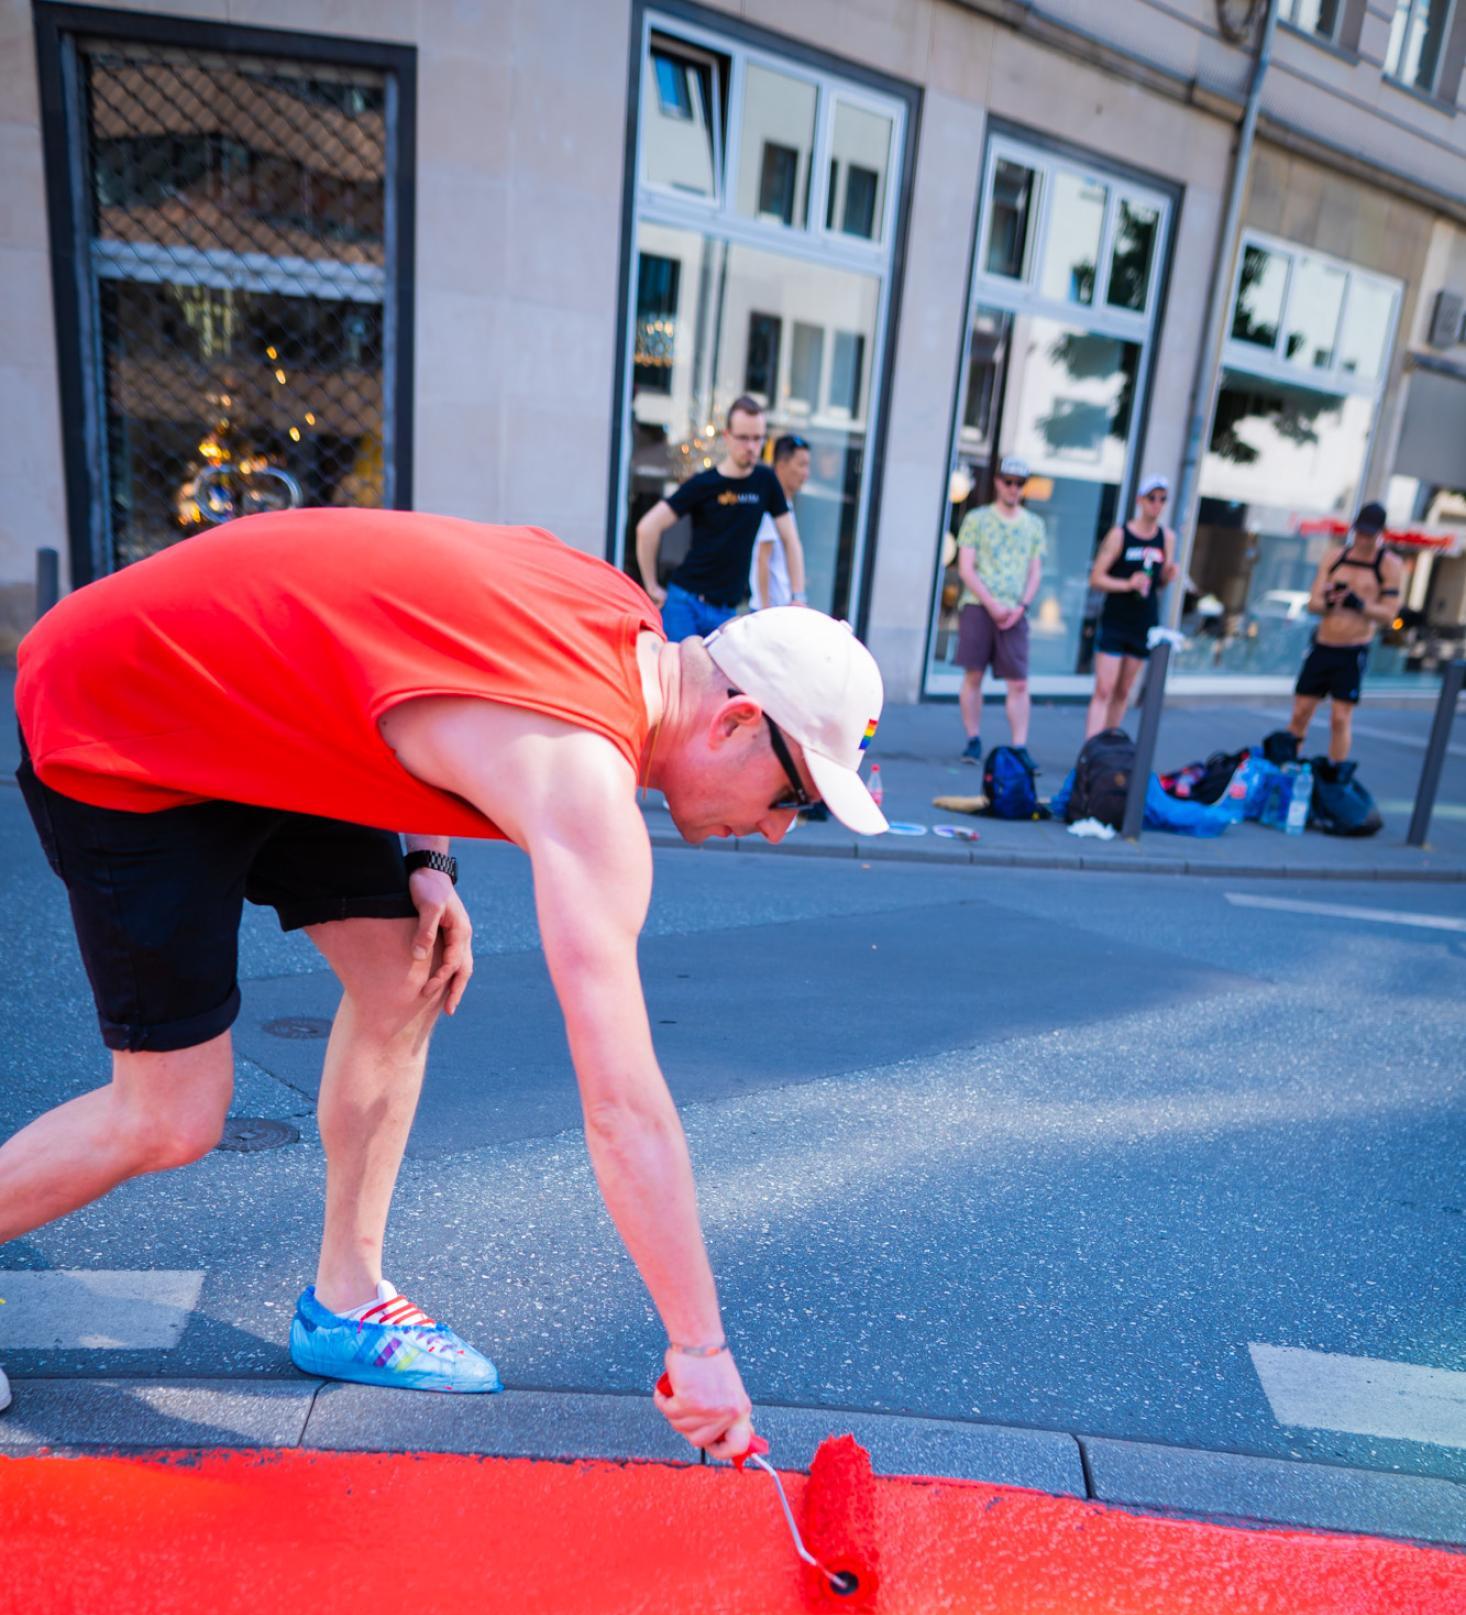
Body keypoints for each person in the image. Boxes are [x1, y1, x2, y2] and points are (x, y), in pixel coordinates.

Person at [2, 509, 885, 1453]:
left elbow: (407, 630)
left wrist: (428, 858)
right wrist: (699, 1347)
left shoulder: (618, 621)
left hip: (263, 702)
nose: (781, 828)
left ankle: (346, 1301)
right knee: (170, 1116)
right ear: (737, 720)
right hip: (125, 703)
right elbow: (624, 1110)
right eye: (795, 796)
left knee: (405, 973)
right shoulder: (585, 782)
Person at [635, 396, 807, 643]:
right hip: (685, 604)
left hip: (726, 614)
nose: (751, 446)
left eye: (758, 438)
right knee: (680, 667)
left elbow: (791, 540)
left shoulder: (765, 481)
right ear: (727, 437)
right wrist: (651, 586)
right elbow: (647, 527)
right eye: (744, 438)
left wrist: (798, 596)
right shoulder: (705, 483)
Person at [1280, 501, 1402, 763]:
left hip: (1352, 649)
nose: (1363, 539)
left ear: (1380, 533)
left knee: (1340, 718)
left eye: (1369, 534)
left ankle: (1336, 773)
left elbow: (1389, 615)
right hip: (1323, 644)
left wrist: (1359, 604)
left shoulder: (1388, 565)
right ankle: (1287, 767)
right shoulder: (1335, 557)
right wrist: (1331, 601)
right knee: (1300, 712)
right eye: (1360, 532)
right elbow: (1313, 604)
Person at [953, 455, 1045, 764]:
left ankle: (1019, 747)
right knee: (974, 676)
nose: (1013, 488)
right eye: (1008, 482)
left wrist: (1022, 606)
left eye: (1020, 483)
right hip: (979, 606)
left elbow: (1035, 571)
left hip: (1015, 611)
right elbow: (966, 568)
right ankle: (972, 739)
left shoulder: (1034, 524)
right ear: (997, 482)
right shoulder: (976, 519)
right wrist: (991, 604)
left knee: (1019, 682)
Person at [1084, 474, 1177, 739]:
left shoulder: (1167, 538)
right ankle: (1091, 749)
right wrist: (1128, 584)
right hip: (1116, 619)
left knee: (1124, 691)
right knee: (1104, 688)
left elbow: (1159, 582)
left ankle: (1109, 743)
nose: (1157, 504)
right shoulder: (1119, 535)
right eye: (1152, 498)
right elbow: (1096, 578)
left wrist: (1167, 576)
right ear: (1140, 500)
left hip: (1143, 621)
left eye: (1162, 499)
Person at [751, 434, 811, 610]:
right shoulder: (771, 506)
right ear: (781, 465)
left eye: (807, 466)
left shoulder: (787, 504)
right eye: (801, 465)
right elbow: (762, 558)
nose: (806, 473)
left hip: (781, 608)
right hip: (770, 611)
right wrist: (764, 609)